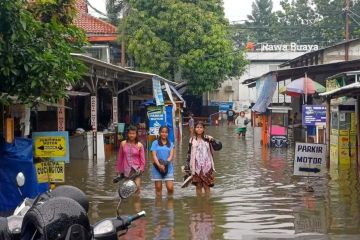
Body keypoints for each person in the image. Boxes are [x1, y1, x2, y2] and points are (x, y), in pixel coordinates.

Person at [116, 125, 146, 194]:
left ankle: (137, 201)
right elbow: (120, 158)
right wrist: (118, 170)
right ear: (127, 134)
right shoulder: (123, 143)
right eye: (130, 133)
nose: (131, 135)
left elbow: (143, 160)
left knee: (137, 187)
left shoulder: (139, 145)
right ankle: (130, 202)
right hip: (126, 169)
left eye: (133, 133)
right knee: (128, 189)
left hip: (136, 170)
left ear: (136, 134)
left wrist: (141, 169)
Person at [188, 121, 215, 195]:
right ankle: (199, 203)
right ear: (195, 129)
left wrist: (213, 140)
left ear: (203, 129)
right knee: (198, 185)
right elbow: (189, 154)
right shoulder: (192, 140)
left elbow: (215, 149)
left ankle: (207, 203)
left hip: (207, 165)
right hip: (196, 166)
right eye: (197, 127)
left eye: (201, 127)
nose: (199, 129)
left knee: (207, 185)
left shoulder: (208, 138)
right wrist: (188, 167)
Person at [151, 126, 175, 197]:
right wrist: (159, 165)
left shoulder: (171, 143)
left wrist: (164, 164)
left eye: (166, 132)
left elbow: (171, 156)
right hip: (157, 168)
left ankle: (170, 202)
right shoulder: (155, 143)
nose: (164, 134)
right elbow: (154, 155)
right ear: (159, 133)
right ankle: (159, 206)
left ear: (168, 133)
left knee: (170, 188)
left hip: (168, 167)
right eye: (162, 132)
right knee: (158, 189)